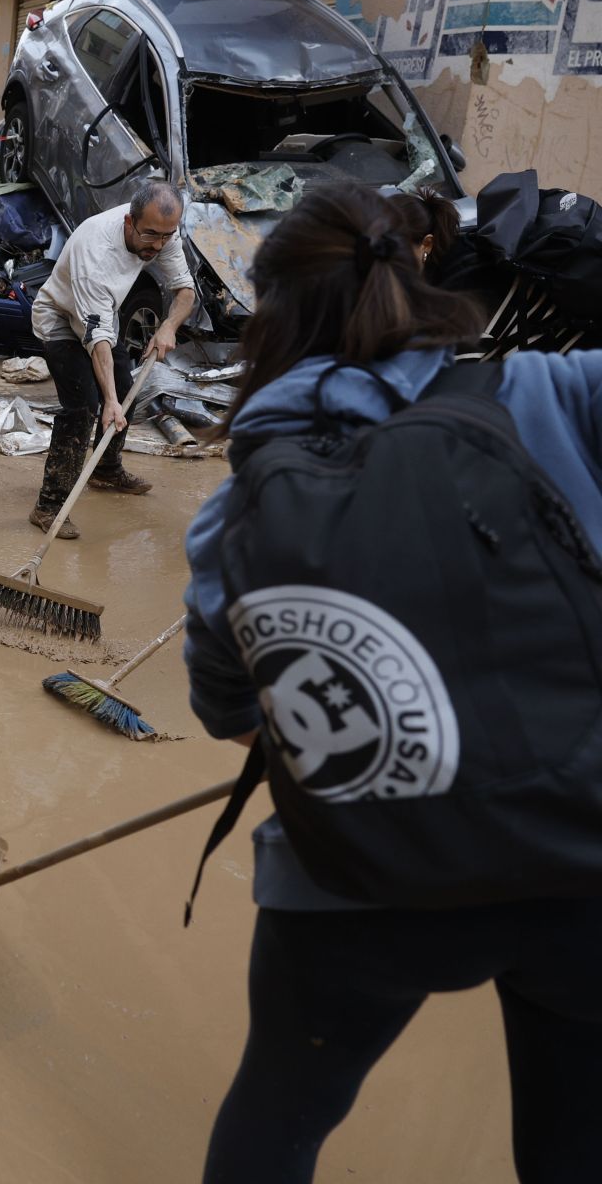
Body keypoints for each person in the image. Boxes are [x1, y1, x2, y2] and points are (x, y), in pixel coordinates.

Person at [183, 182, 602, 1181]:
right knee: (575, 1142)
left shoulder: (239, 504)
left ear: (273, 317)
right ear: (420, 272)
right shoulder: (556, 396)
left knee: (279, 1111)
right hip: (576, 855)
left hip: (354, 883)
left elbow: (234, 715)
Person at [28, 182, 195, 538]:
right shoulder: (96, 252)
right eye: (150, 235)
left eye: (166, 236)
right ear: (128, 222)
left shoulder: (161, 231)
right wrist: (109, 403)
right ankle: (49, 505)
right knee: (85, 407)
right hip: (59, 318)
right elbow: (96, 338)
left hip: (103, 316)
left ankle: (106, 468)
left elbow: (185, 290)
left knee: (125, 388)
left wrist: (168, 326)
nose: (157, 245)